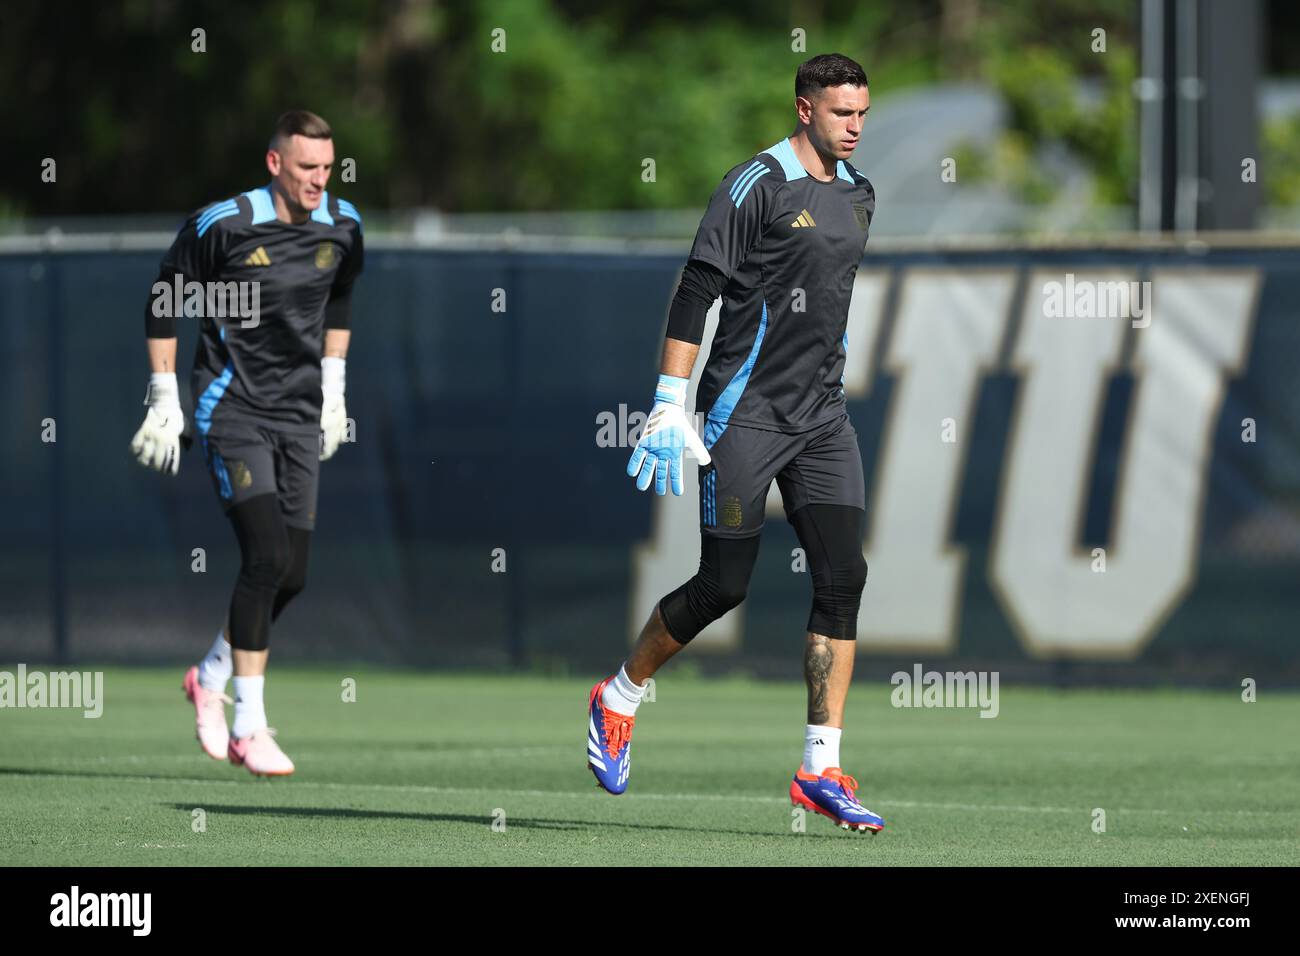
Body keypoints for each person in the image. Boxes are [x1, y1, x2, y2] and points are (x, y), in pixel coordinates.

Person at [587, 55, 884, 832]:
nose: (854, 125)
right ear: (803, 108)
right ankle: (617, 697)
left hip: (821, 416)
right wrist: (666, 401)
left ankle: (820, 768)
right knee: (724, 585)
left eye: (862, 112)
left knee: (844, 575)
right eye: (840, 112)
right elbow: (697, 287)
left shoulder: (860, 194)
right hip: (744, 412)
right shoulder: (755, 183)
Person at [130, 110, 363, 776]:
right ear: (274, 164)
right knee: (264, 556)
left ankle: (208, 674)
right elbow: (163, 298)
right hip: (230, 409)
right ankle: (249, 724)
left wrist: (337, 391)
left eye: (327, 167)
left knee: (291, 574)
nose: (319, 180)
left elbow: (341, 300)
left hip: (300, 414)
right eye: (306, 168)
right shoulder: (225, 224)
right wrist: (163, 397)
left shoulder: (343, 226)